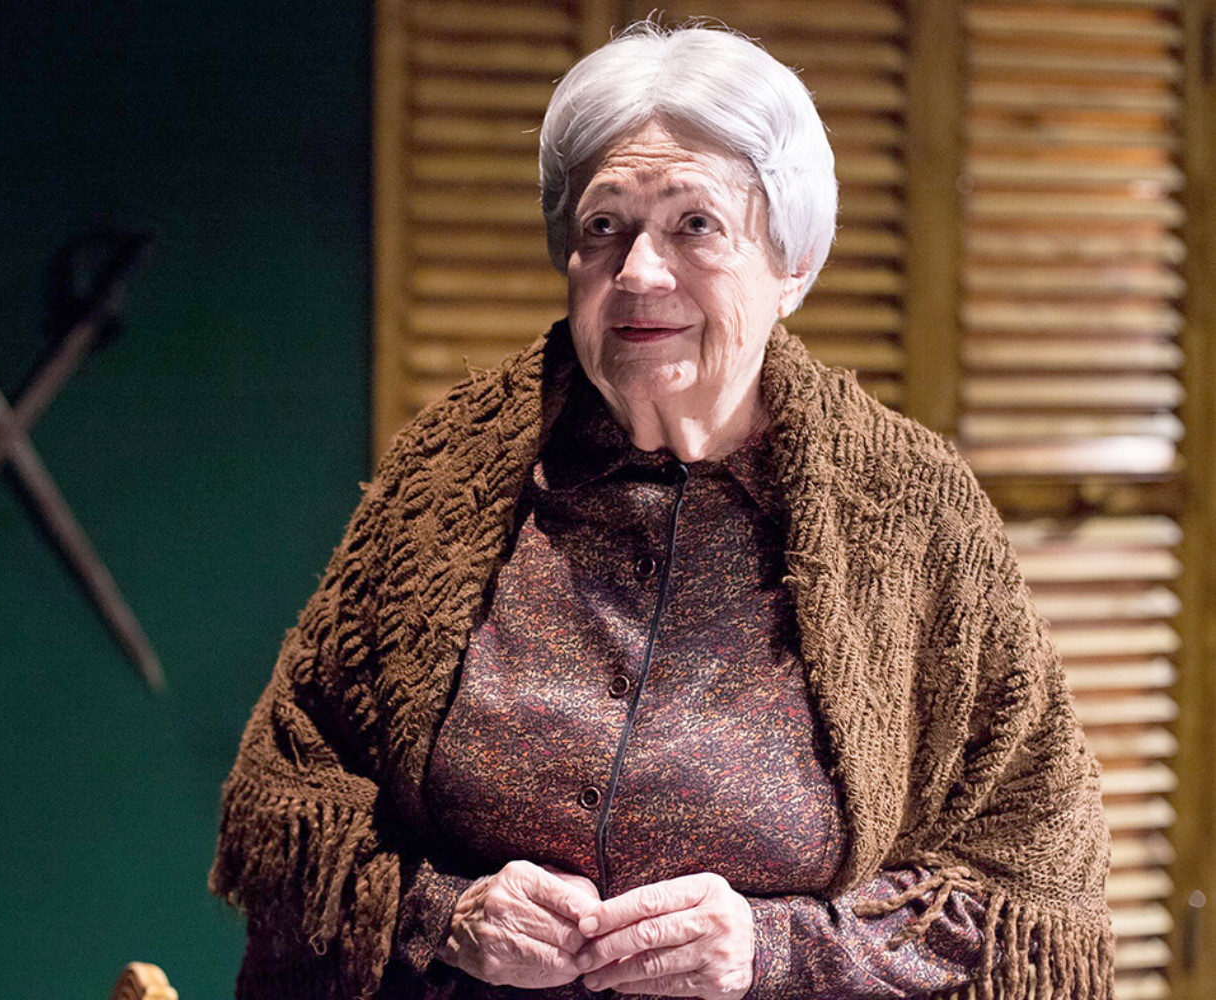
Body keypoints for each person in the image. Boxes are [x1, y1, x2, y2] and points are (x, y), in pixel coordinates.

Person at [212, 22, 1113, 1000]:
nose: (639, 272)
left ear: (793, 266)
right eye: (604, 226)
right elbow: (286, 795)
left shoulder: (912, 511)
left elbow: (1031, 886)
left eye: (695, 224)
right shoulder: (450, 472)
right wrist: (445, 914)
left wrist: (773, 949)